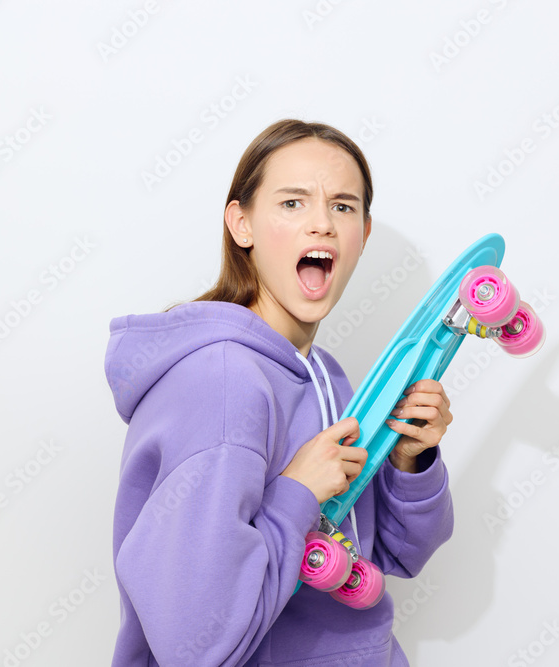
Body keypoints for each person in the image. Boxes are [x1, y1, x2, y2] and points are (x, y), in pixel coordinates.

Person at [105, 119, 454, 666]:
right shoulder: (221, 382)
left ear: (364, 234)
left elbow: (393, 555)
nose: (322, 224)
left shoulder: (326, 375)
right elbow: (198, 639)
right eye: (293, 204)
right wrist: (296, 492)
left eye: (343, 207)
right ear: (240, 223)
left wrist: (413, 461)